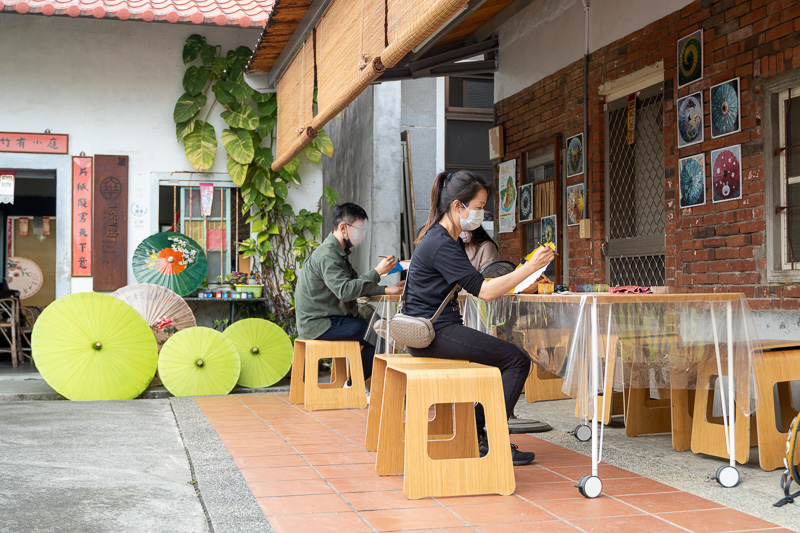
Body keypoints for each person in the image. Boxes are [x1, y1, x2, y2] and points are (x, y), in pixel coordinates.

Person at [403, 170, 554, 466]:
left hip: (432, 330)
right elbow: (484, 291)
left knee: (507, 356)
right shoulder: (441, 243)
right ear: (458, 206)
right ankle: (488, 436)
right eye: (479, 206)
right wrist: (528, 267)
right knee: (516, 359)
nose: (482, 213)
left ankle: (479, 428)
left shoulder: (442, 238)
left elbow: (474, 286)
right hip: (434, 334)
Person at [295, 203, 405, 380]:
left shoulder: (339, 253)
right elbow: (345, 292)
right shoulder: (328, 256)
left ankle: (358, 383)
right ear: (343, 228)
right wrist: (377, 272)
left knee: (378, 327)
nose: (361, 234)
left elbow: (353, 285)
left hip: (330, 319)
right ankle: (354, 386)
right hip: (320, 324)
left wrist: (387, 289)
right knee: (376, 335)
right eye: (359, 229)